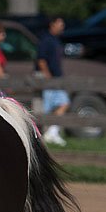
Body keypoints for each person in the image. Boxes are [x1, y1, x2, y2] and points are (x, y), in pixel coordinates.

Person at [36, 16, 69, 146]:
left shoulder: (56, 40)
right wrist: (47, 76)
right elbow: (41, 60)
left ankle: (52, 131)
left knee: (62, 103)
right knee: (55, 105)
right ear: (52, 24)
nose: (62, 27)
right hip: (49, 78)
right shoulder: (46, 40)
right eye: (60, 24)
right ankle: (50, 132)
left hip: (56, 78)